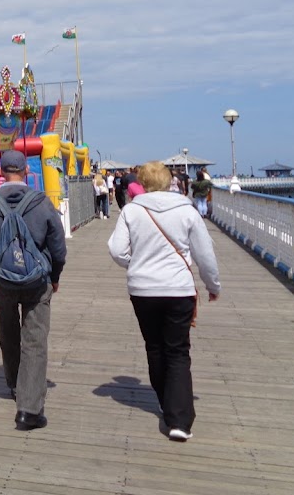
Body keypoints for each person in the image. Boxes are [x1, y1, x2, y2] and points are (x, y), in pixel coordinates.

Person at [107, 161, 221, 442]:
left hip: (143, 289)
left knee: (154, 346)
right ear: (170, 182)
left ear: (142, 183)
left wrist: (134, 264)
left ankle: (163, 400)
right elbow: (205, 253)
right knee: (178, 351)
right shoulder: (186, 210)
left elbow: (116, 249)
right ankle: (179, 419)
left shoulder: (132, 210)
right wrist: (212, 284)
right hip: (178, 289)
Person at [0, 150, 67, 431]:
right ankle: (28, 408)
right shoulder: (41, 203)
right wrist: (55, 274)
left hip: (3, 279)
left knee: (8, 332)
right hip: (37, 279)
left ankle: (15, 384)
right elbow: (57, 244)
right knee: (35, 339)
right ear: (26, 170)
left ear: (2, 172)